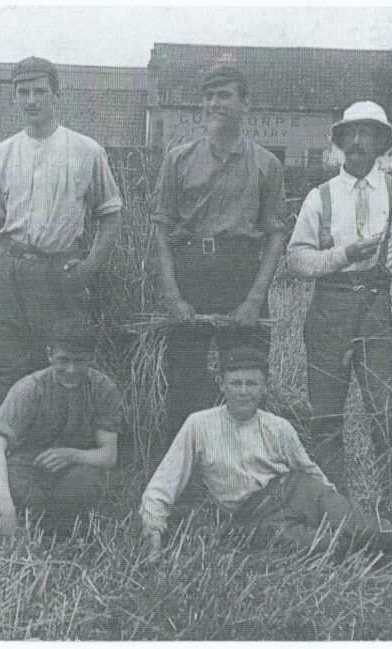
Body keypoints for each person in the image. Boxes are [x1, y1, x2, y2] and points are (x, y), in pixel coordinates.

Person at [140, 347, 392, 561]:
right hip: (252, 516)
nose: (243, 391)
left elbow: (309, 471)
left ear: (265, 387)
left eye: (252, 384)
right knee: (328, 548)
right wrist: (154, 537)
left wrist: (336, 505)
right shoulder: (198, 425)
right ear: (221, 385)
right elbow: (165, 481)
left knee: (359, 526)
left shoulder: (278, 427)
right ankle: (391, 552)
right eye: (235, 383)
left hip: (296, 489)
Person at [285, 100, 392, 511]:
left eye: (368, 133)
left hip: (383, 309)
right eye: (352, 134)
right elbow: (296, 259)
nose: (359, 141)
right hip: (331, 307)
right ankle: (337, 513)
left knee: (389, 414)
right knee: (325, 418)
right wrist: (343, 255)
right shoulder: (319, 197)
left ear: (383, 142)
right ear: (341, 142)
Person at [151, 65, 288, 459]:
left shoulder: (266, 165)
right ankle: (182, 477)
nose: (214, 103)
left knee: (247, 379)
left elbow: (276, 234)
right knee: (184, 384)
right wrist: (173, 296)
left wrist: (253, 298)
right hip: (192, 272)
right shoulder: (178, 160)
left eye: (224, 95)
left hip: (242, 275)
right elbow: (161, 231)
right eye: (208, 95)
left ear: (245, 103)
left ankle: (248, 470)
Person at [0, 56, 123, 403]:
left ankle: (56, 447)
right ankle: (8, 448)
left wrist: (88, 269)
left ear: (56, 95)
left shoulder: (87, 151)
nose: (31, 100)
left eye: (40, 91)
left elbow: (111, 216)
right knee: (4, 364)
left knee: (63, 364)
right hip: (10, 267)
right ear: (13, 97)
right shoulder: (1, 154)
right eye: (23, 92)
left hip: (58, 272)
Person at [0, 318, 123, 538]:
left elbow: (108, 455)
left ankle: (59, 525)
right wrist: (6, 510)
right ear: (49, 355)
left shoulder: (103, 390)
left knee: (86, 484)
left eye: (79, 361)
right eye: (63, 360)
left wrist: (72, 455)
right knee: (13, 481)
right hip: (30, 470)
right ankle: (38, 520)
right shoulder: (29, 389)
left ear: (91, 358)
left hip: (75, 470)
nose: (71, 369)